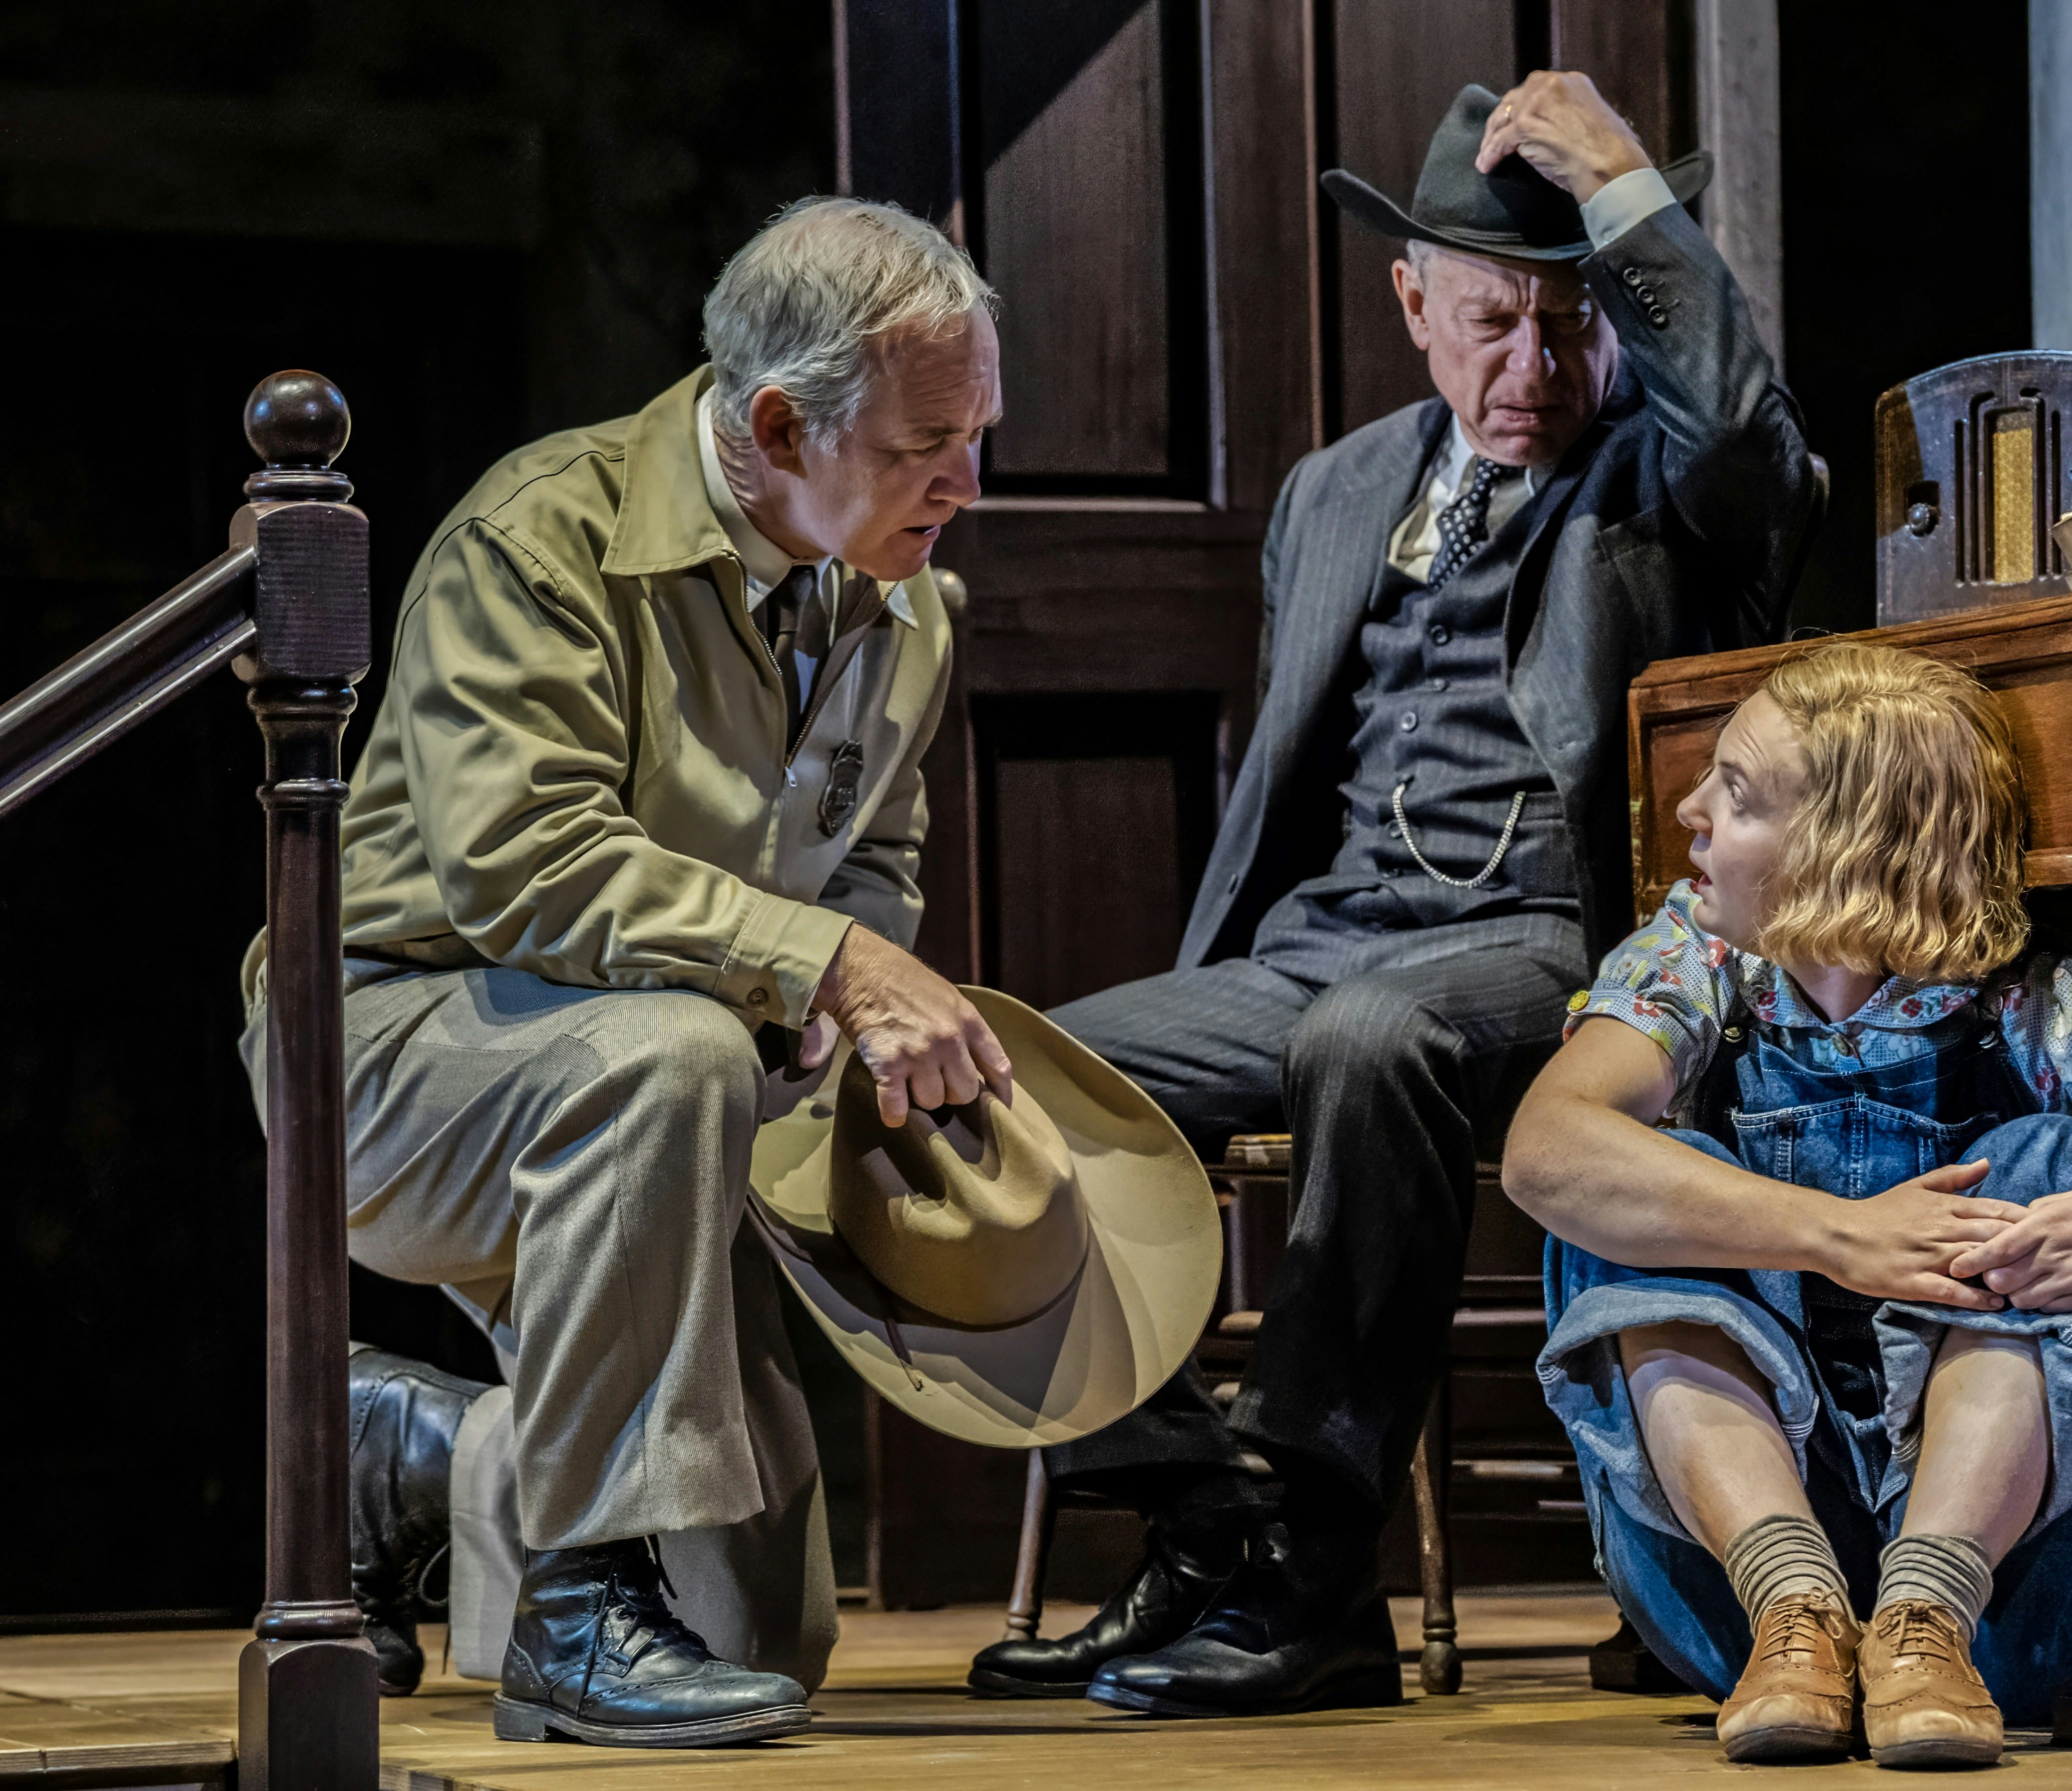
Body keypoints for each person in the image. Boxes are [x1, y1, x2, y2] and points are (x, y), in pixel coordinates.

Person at [965, 70, 1815, 1716]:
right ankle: (1200, 1509)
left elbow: (1746, 432)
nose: (1534, 369)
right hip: (1323, 944)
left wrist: (1631, 193)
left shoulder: (1666, 480)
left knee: (1373, 1038)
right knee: (1008, 1078)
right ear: (1410, 301)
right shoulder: (1334, 491)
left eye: (1571, 325)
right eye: (1494, 322)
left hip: (1554, 942)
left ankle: (1316, 1577)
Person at [243, 196, 1017, 1747]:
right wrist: (820, 967)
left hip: (664, 1091)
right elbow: (524, 865)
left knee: (765, 1636)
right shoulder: (544, 533)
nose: (970, 482)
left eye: (982, 430)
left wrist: (839, 1006)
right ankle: (579, 1608)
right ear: (781, 421)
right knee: (671, 1050)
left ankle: (421, 1451)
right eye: (929, 440)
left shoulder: (909, 602)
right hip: (391, 1050)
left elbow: (875, 862)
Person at [1500, 644, 2072, 1767]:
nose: (1686, 811)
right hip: (1739, 1615)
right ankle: (1802, 1607)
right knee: (1634, 1174)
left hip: (2026, 1596)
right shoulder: (1695, 960)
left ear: (1841, 847)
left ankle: (1924, 1611)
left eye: (1733, 795)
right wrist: (1844, 1237)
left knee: (2040, 1155)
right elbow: (1546, 1151)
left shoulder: (2048, 1002)